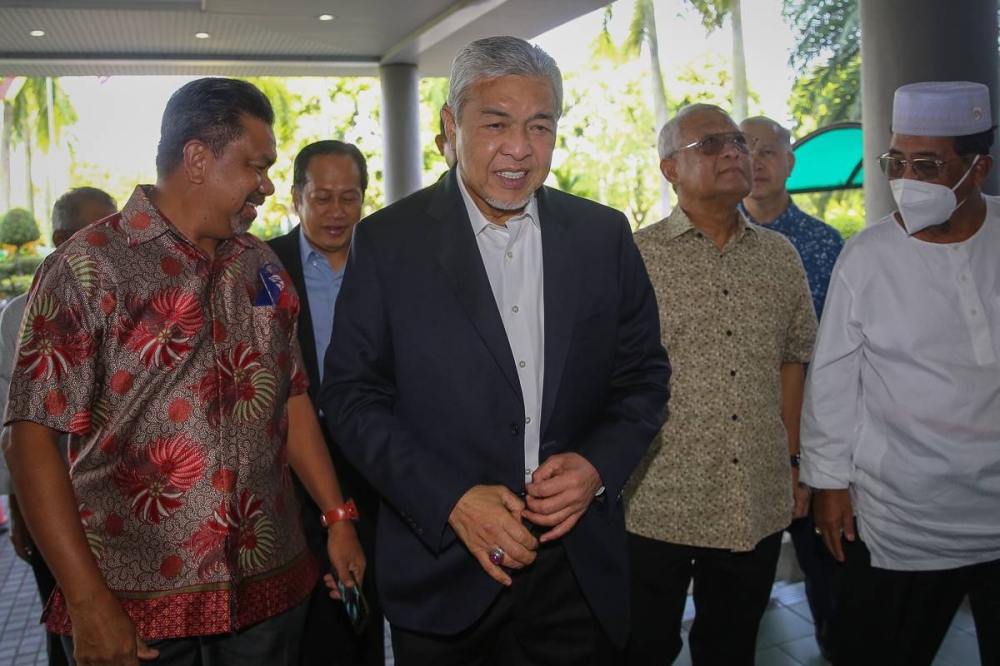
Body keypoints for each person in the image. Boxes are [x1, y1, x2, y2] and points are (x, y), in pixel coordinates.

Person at [319, 35, 671, 666]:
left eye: (539, 125)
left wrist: (595, 466)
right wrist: (449, 498)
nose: (519, 147)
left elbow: (644, 379)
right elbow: (350, 396)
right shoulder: (387, 242)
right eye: (496, 123)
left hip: (576, 571)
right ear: (451, 127)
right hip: (444, 571)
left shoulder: (603, 235)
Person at [1, 77, 364, 666]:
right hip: (132, 606)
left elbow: (290, 396)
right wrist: (87, 601)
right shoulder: (87, 268)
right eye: (256, 166)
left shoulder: (262, 265)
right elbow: (28, 438)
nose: (268, 186)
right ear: (198, 159)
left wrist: (337, 516)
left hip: (267, 594)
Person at [801, 80, 1000, 666]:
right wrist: (829, 484)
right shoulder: (867, 255)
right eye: (897, 161)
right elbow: (834, 381)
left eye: (927, 163)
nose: (906, 178)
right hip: (906, 518)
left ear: (979, 167)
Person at [624, 103, 817, 665]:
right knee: (642, 647)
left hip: (751, 496)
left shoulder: (781, 258)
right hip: (654, 498)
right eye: (711, 145)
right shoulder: (634, 257)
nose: (735, 152)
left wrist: (793, 462)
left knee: (731, 648)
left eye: (738, 142)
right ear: (669, 170)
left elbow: (792, 360)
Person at [267, 140, 383, 665]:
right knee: (316, 621)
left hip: (383, 467)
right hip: (297, 473)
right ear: (297, 198)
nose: (337, 212)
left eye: (350, 197)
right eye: (323, 198)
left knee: (371, 604)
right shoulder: (264, 270)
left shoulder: (390, 263)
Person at [739, 116, 844, 656]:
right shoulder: (710, 239)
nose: (755, 162)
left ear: (789, 162)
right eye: (744, 149)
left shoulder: (825, 244)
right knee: (736, 602)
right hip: (738, 447)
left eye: (767, 151)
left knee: (827, 575)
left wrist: (808, 454)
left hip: (815, 438)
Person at [0, 186, 117, 666]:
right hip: (55, 504)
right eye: (97, 229)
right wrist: (20, 510)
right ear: (60, 237)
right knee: (67, 626)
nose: (111, 240)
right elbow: (16, 431)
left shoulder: (130, 299)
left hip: (114, 513)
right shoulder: (18, 317)